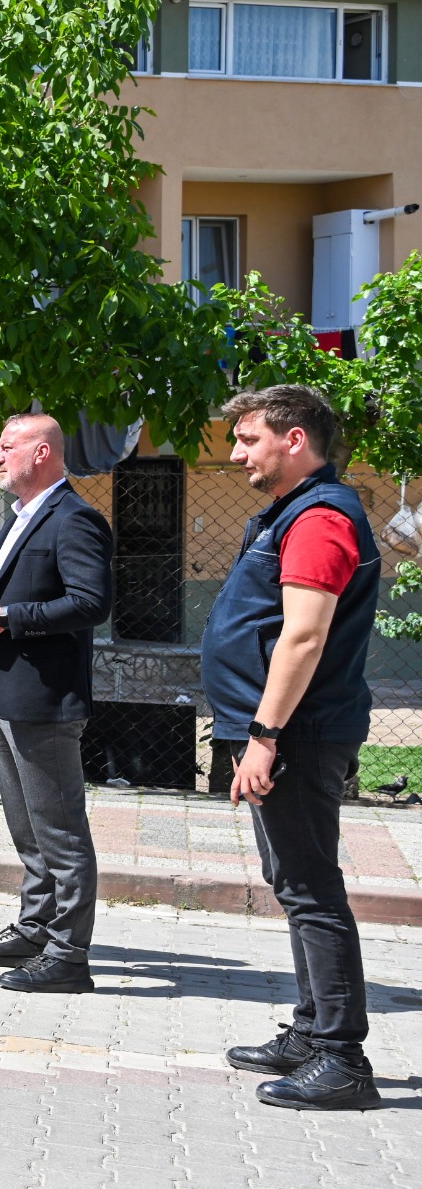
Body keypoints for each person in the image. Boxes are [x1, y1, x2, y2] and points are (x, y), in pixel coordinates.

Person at [203, 386, 383, 1111]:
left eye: (249, 439)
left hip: (297, 735)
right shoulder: (292, 515)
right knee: (295, 884)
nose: (239, 452)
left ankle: (341, 1057)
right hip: (285, 734)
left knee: (312, 891)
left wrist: (265, 736)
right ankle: (312, 1031)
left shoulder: (319, 519)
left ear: (296, 440)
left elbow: (305, 637)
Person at [0, 413, 115, 994]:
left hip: (44, 702)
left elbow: (90, 603)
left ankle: (70, 956)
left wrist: (10, 621)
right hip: (2, 697)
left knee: (61, 831)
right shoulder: (25, 516)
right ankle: (36, 925)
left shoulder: (73, 518)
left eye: (6, 447)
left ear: (41, 451)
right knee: (27, 828)